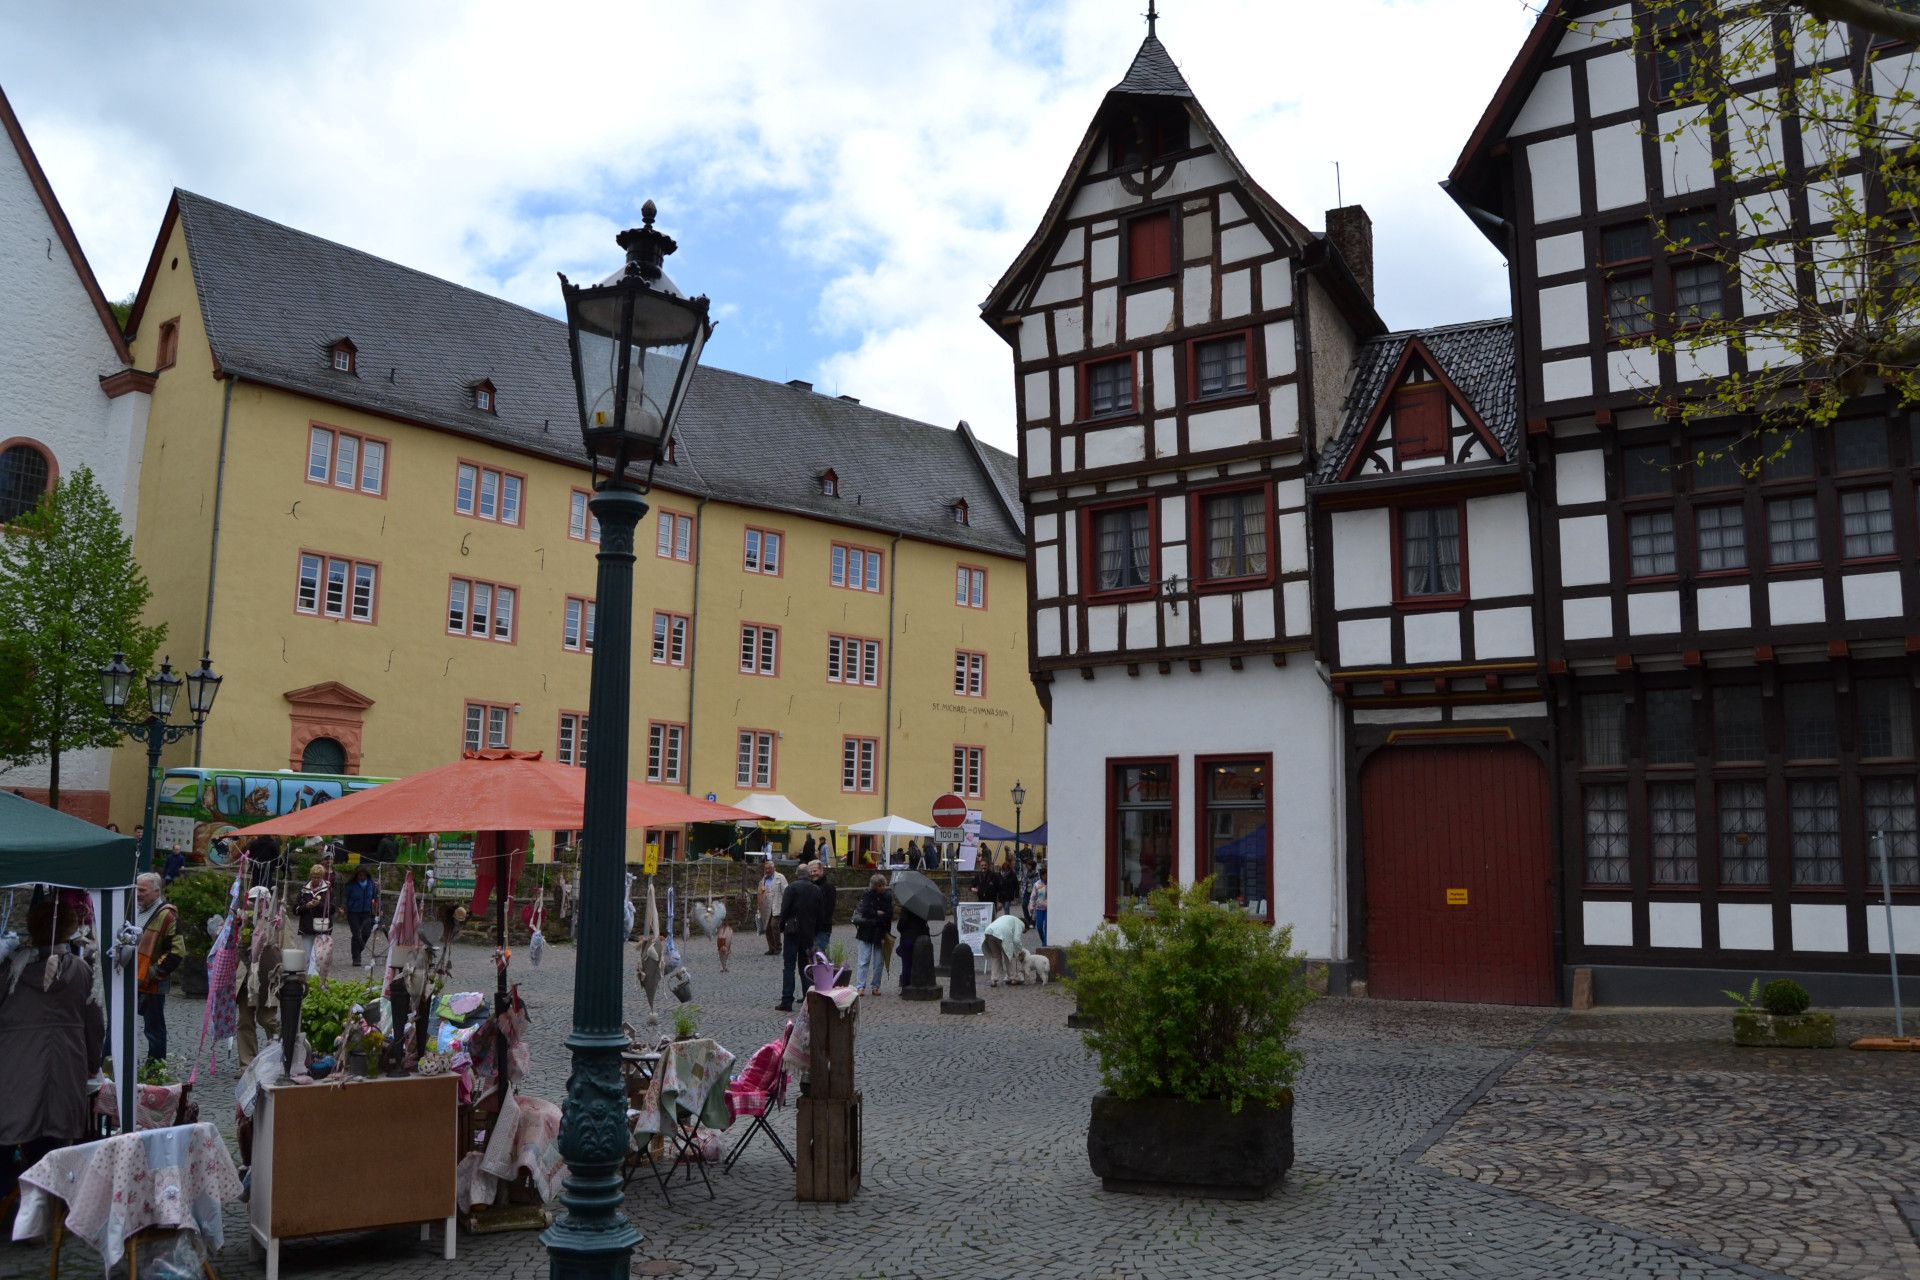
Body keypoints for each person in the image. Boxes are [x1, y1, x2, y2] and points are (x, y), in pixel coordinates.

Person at [0, 901, 105, 1202]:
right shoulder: (81, 970)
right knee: (52, 1137)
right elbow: (94, 1023)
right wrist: (93, 1062)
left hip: (15, 1060)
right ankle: (42, 1205)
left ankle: (12, 1198)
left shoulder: (11, 967)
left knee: (11, 1130)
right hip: (65, 1060)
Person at [133, 871, 179, 1064]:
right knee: (119, 1024)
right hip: (132, 979)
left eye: (142, 890)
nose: (138, 893)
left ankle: (155, 1070)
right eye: (136, 889)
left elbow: (177, 952)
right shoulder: (135, 909)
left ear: (156, 891)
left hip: (152, 982)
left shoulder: (167, 915)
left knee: (154, 1028)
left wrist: (153, 972)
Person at [234, 886, 282, 1067]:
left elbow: (283, 943)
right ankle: (247, 1063)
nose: (255, 904)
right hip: (245, 975)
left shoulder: (277, 920)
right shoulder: (242, 919)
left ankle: (282, 1053)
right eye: (252, 901)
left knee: (267, 1019)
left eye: (259, 901)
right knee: (245, 1020)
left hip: (267, 975)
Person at [776, 865, 825, 1012]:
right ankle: (807, 998)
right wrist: (815, 931)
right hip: (808, 933)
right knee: (806, 967)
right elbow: (820, 914)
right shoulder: (816, 890)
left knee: (789, 966)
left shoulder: (791, 888)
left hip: (792, 931)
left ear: (797, 874)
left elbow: (784, 910)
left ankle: (787, 1000)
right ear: (809, 874)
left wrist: (781, 927)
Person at [851, 874, 893, 997]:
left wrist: (877, 916)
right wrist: (877, 914)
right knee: (863, 960)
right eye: (881, 885)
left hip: (880, 932)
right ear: (875, 886)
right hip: (866, 932)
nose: (883, 887)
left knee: (879, 962)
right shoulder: (867, 895)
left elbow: (889, 914)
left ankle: (876, 986)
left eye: (884, 885)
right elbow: (865, 911)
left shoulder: (887, 896)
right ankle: (860, 986)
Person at [292, 862, 332, 975]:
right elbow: (295, 910)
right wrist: (306, 906)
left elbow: (331, 909)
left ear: (322, 877)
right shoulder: (304, 889)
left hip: (322, 926)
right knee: (308, 955)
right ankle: (309, 978)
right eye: (313, 877)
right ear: (310, 876)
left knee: (319, 955)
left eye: (318, 877)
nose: (315, 879)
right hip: (307, 926)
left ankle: (316, 977)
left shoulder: (327, 889)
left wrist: (319, 905)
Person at [345, 866, 379, 966]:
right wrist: (343, 908)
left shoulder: (371, 884)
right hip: (353, 912)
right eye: (360, 875)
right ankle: (356, 958)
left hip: (366, 912)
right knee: (356, 934)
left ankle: (358, 951)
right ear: (356, 875)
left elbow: (375, 898)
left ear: (367, 875)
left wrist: (379, 909)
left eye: (364, 875)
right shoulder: (350, 885)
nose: (362, 877)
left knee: (366, 933)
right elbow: (345, 897)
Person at [982, 912, 1026, 988]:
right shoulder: (1020, 924)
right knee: (1007, 955)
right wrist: (1020, 950)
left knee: (996, 956)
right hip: (1001, 933)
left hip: (989, 931)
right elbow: (1016, 940)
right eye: (1024, 931)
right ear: (1026, 926)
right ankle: (1013, 978)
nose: (1023, 932)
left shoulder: (1010, 918)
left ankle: (993, 979)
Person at [895, 899, 930, 991]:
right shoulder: (924, 905)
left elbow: (901, 924)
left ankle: (906, 987)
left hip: (908, 938)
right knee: (914, 959)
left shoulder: (907, 905)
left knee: (906, 963)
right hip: (921, 939)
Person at [758, 863, 788, 955]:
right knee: (767, 927)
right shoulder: (763, 879)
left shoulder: (780, 877)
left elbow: (786, 891)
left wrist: (786, 904)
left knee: (774, 925)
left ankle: (778, 947)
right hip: (766, 907)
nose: (767, 870)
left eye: (769, 868)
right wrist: (759, 905)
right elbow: (760, 893)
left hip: (777, 906)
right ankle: (771, 948)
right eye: (766, 868)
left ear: (774, 868)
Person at [811, 860, 837, 955]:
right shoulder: (810, 886)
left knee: (821, 958)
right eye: (811, 871)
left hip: (822, 929)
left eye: (815, 871)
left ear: (821, 870)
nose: (813, 874)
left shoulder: (829, 887)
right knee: (812, 960)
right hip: (810, 930)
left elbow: (828, 911)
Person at [1029, 865, 1049, 947]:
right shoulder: (1037, 884)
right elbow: (1033, 896)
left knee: (1047, 926)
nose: (1046, 876)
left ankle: (1046, 943)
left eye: (1047, 874)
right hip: (1040, 908)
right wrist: (1031, 906)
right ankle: (1043, 940)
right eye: (1044, 875)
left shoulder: (1052, 883)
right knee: (1039, 927)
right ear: (1041, 875)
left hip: (1049, 909)